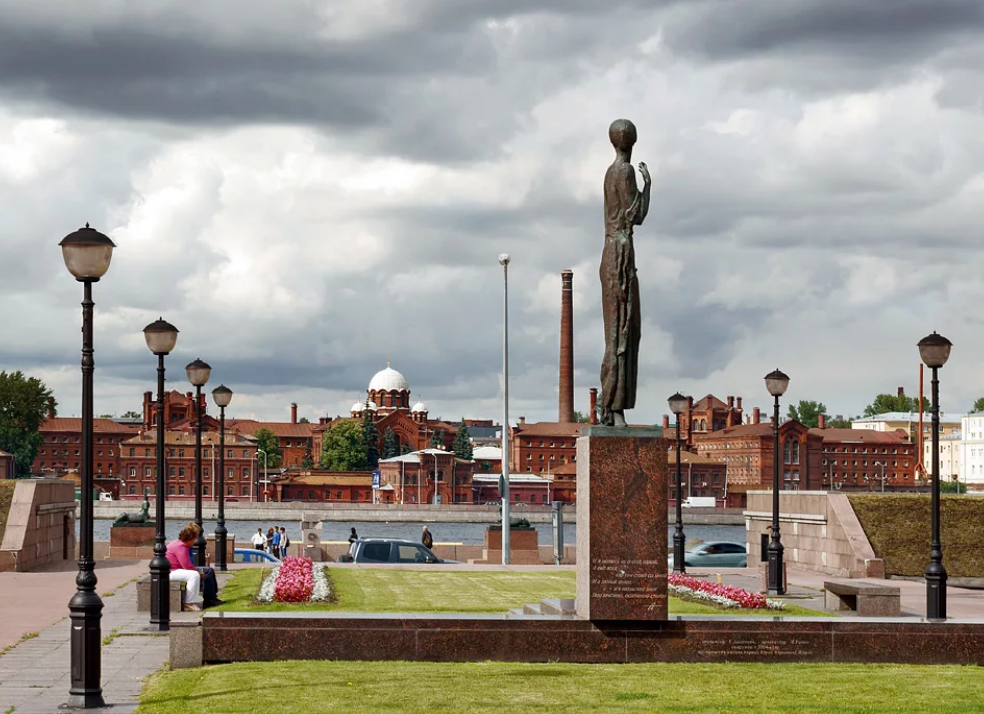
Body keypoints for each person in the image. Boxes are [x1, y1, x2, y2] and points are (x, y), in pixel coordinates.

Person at [599, 118, 651, 427]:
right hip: (619, 255)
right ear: (630, 141)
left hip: (614, 253)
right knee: (623, 334)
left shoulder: (610, 172)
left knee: (623, 333)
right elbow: (636, 214)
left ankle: (612, 407)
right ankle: (613, 408)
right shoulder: (624, 171)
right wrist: (648, 187)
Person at [167, 522, 222, 610]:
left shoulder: (180, 544)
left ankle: (211, 599)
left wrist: (200, 572)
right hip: (171, 572)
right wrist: (198, 573)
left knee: (209, 570)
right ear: (190, 538)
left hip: (176, 569)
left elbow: (187, 565)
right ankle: (188, 603)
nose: (195, 541)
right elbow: (186, 566)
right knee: (194, 575)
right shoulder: (181, 546)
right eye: (195, 538)